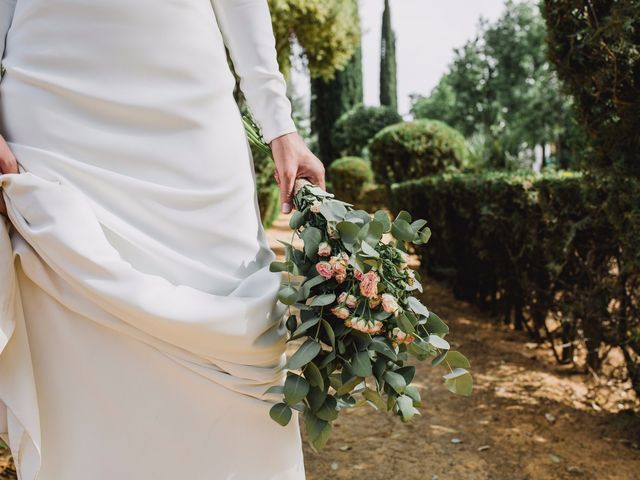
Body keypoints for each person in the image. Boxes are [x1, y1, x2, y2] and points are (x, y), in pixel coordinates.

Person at [0, 0, 324, 478]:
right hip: (52, 112)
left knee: (234, 349)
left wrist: (280, 124)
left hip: (190, 117)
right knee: (83, 356)